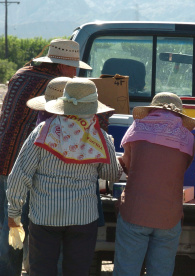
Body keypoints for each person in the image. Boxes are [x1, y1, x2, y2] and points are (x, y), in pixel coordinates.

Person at [6, 78, 123, 276]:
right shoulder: (100, 137)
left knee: (41, 270)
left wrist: (14, 213)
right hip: (83, 217)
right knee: (77, 271)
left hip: (44, 216)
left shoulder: (42, 131)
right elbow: (111, 174)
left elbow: (19, 175)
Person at [0, 38, 92, 276]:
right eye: (73, 67)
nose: (76, 72)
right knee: (32, 228)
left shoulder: (22, 74)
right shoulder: (54, 86)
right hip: (29, 166)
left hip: (4, 160)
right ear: (61, 66)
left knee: (9, 224)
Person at [113, 92, 195, 276]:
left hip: (135, 211)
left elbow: (127, 164)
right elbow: (179, 170)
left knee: (126, 271)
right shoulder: (188, 138)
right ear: (179, 114)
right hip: (169, 215)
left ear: (152, 109)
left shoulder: (137, 128)